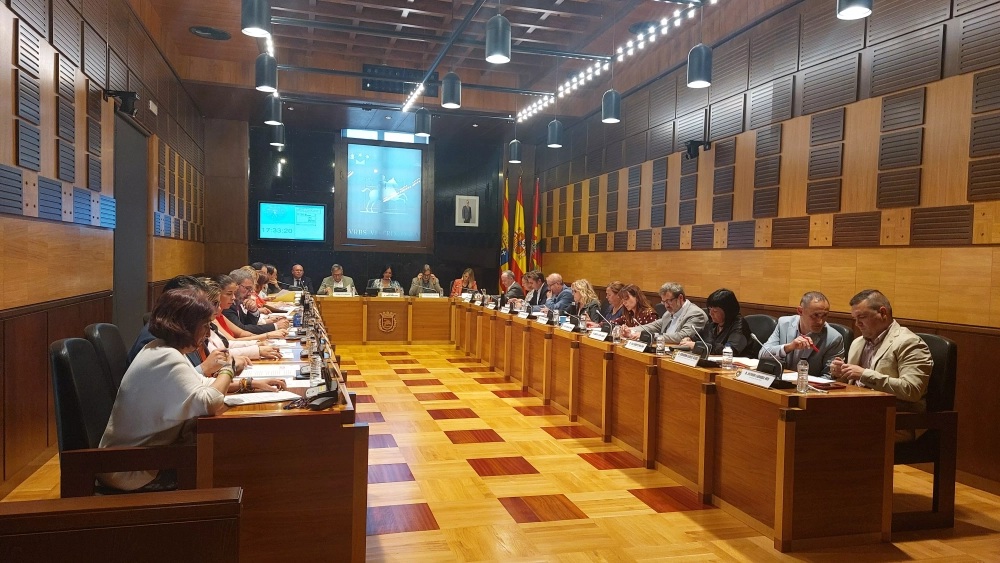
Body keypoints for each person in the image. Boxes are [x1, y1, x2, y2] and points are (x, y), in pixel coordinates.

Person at [98, 289, 231, 491]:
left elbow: (201, 383)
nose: (206, 333)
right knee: (223, 465)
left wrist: (246, 384)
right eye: (204, 326)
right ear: (186, 326)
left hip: (143, 458)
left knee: (221, 457)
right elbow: (209, 402)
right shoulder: (165, 356)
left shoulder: (161, 348)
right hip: (132, 469)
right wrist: (228, 369)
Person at [831, 289, 933, 442]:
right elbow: (850, 384)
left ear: (883, 313)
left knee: (834, 434)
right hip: (858, 414)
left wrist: (864, 374)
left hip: (895, 420)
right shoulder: (858, 343)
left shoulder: (909, 343)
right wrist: (839, 374)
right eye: (854, 318)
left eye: (862, 317)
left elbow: (912, 390)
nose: (857, 324)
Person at [759, 291, 845, 377]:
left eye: (825, 315)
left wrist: (835, 373)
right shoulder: (784, 324)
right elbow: (762, 355)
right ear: (800, 311)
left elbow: (828, 376)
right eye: (815, 315)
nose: (820, 321)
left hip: (808, 384)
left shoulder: (834, 338)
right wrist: (789, 347)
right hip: (780, 381)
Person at [625, 282, 708, 343]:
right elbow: (654, 326)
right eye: (664, 302)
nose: (666, 306)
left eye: (668, 301)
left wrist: (651, 336)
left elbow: (681, 336)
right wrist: (631, 330)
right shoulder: (669, 313)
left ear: (680, 298)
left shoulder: (696, 314)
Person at [680, 289, 753, 356]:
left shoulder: (739, 324)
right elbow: (698, 338)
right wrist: (688, 339)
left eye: (715, 311)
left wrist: (697, 345)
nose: (710, 314)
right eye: (709, 309)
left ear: (727, 311)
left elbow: (731, 350)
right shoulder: (712, 322)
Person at [214, 275, 286, 341]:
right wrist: (268, 335)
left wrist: (263, 338)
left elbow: (242, 332)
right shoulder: (217, 315)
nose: (233, 297)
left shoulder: (221, 314)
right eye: (229, 294)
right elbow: (231, 341)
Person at [223, 269, 289, 334]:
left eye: (251, 289)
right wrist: (275, 326)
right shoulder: (226, 304)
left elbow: (249, 324)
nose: (250, 293)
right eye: (247, 288)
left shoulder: (238, 301)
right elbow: (241, 330)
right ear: (235, 286)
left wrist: (253, 310)